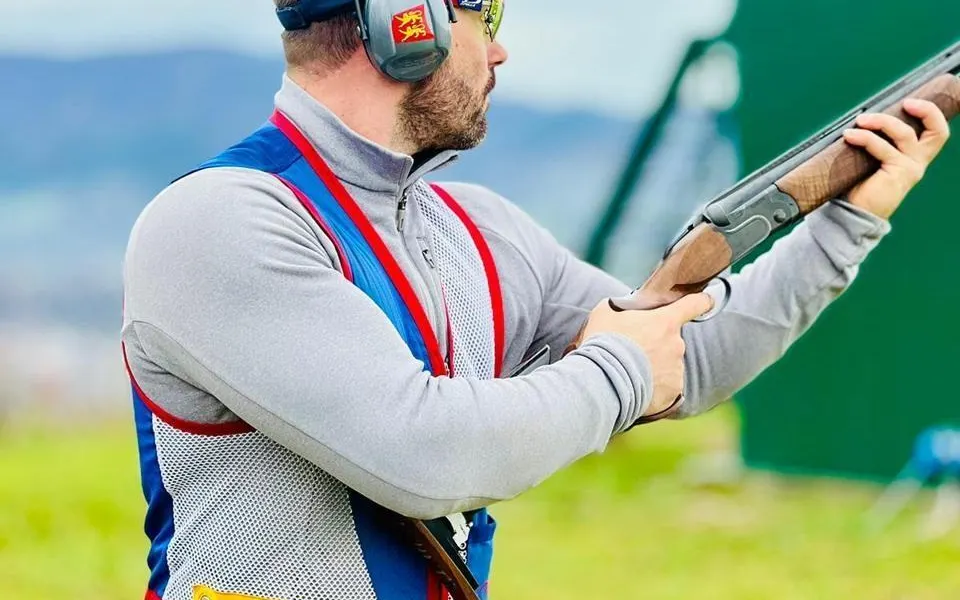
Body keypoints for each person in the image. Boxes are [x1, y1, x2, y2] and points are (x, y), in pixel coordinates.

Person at [120, 0, 952, 598]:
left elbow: (688, 359)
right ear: (404, 24)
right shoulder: (219, 221)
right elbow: (425, 453)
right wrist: (618, 369)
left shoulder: (478, 229)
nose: (500, 50)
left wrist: (845, 221)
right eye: (488, 14)